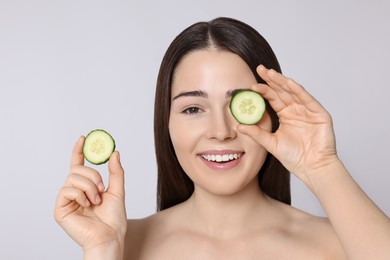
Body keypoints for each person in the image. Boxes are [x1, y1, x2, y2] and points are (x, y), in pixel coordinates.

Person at [54, 17, 390, 259]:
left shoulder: (340, 244)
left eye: (240, 105)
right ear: (166, 123)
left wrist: (321, 166)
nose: (220, 130)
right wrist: (101, 250)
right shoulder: (122, 243)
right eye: (193, 109)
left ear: (273, 114)